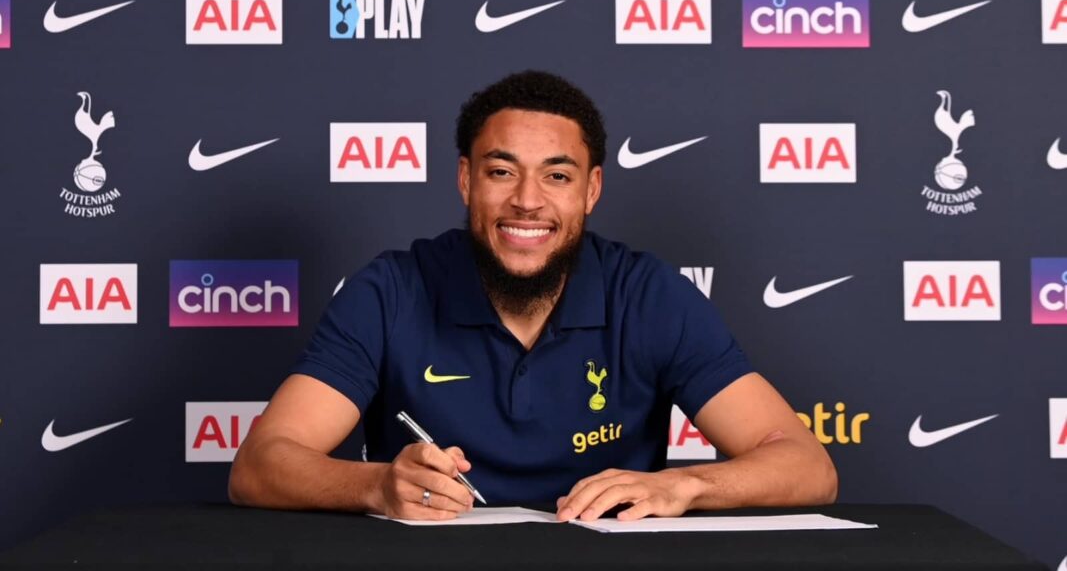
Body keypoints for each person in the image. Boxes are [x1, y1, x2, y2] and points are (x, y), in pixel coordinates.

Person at [228, 71, 837, 522]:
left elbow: (808, 466)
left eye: (557, 175)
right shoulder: (390, 290)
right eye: (501, 171)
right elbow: (258, 465)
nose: (527, 200)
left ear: (591, 190)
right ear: (466, 180)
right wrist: (375, 486)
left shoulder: (648, 294)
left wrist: (684, 486)